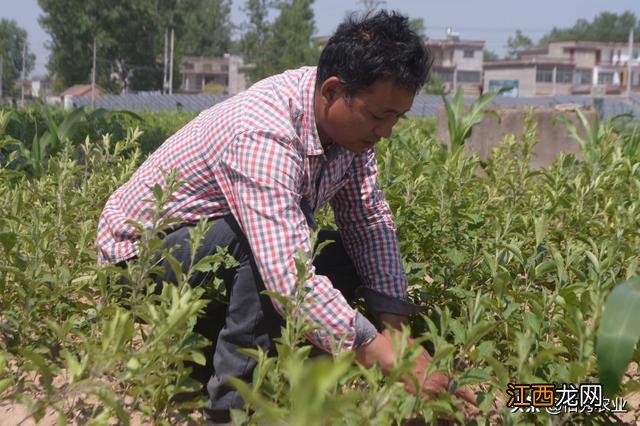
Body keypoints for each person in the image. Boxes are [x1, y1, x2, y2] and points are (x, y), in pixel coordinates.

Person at [97, 10, 475, 423]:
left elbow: (368, 222)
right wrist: (378, 352)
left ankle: (269, 385)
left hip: (207, 257)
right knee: (270, 247)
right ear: (332, 91)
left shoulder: (351, 137)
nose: (385, 132)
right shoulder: (264, 131)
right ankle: (230, 411)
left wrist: (395, 329)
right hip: (137, 263)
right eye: (378, 115)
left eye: (396, 118)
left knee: (337, 254)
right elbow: (285, 278)